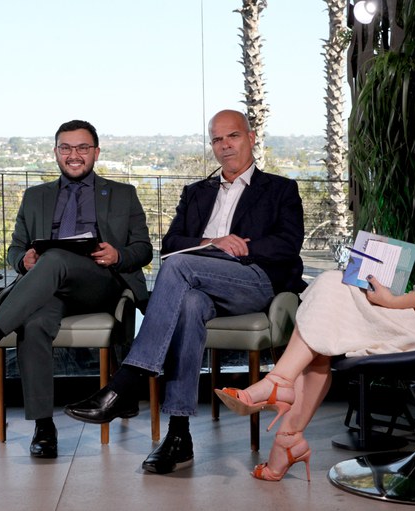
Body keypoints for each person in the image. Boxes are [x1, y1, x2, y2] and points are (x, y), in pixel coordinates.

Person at [215, 125, 415, 481]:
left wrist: (396, 302)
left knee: (332, 285)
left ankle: (279, 385)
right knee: (325, 323)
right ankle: (287, 438)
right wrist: (395, 286)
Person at [64, 109, 307, 474]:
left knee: (178, 267)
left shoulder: (280, 189)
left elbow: (288, 245)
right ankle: (179, 435)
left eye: (233, 137)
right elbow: (172, 243)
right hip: (199, 282)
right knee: (189, 303)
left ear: (252, 138)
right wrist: (213, 242)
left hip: (253, 281)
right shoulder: (196, 193)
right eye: (217, 139)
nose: (225, 146)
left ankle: (128, 380)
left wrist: (239, 246)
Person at [0, 119, 152, 459]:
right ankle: (44, 427)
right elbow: (15, 249)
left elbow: (144, 249)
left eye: (82, 148)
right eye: (66, 148)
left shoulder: (123, 194)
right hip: (48, 289)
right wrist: (25, 261)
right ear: (55, 152)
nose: (73, 155)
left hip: (100, 284)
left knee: (58, 260)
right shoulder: (35, 196)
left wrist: (118, 254)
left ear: (95, 152)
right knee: (33, 325)